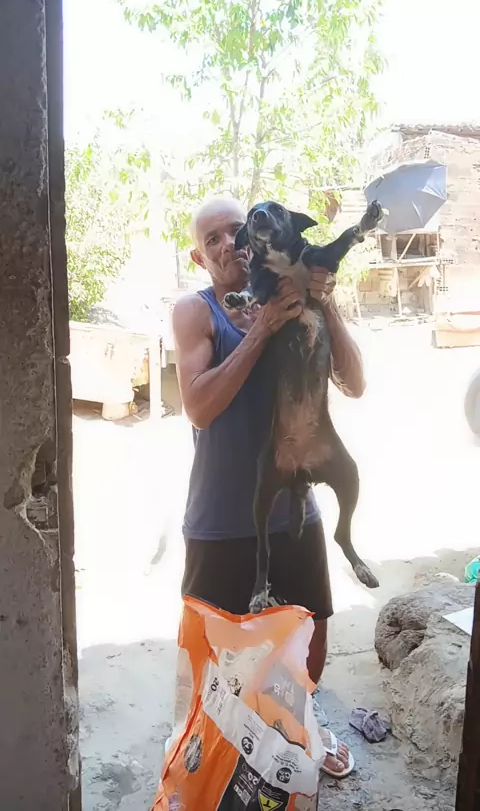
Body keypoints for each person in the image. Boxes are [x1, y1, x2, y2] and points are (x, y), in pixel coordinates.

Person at [172, 195, 365, 777]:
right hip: (221, 518)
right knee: (218, 651)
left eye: (234, 231)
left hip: (294, 508)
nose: (227, 245)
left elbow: (355, 382)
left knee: (309, 632)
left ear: (255, 238)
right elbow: (199, 407)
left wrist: (322, 300)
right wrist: (261, 331)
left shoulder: (294, 289)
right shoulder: (197, 312)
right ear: (199, 257)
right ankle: (219, 748)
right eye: (211, 239)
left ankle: (300, 723)